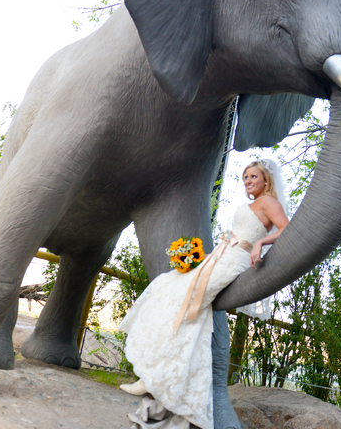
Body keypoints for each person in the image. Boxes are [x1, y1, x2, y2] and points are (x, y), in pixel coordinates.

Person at [117, 159, 290, 429]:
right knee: (170, 283)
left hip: (238, 259)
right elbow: (233, 236)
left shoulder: (270, 203)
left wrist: (260, 243)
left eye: (253, 177)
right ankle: (153, 377)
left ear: (266, 180)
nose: (248, 181)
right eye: (245, 177)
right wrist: (201, 256)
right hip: (223, 254)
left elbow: (285, 228)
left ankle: (161, 382)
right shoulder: (251, 204)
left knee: (191, 305)